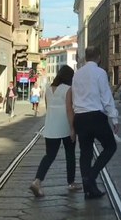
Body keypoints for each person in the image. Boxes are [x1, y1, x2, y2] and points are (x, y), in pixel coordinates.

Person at [72, 46, 119, 199]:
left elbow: (74, 96)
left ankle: (89, 188)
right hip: (95, 117)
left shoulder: (77, 74)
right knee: (111, 146)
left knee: (85, 152)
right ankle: (91, 176)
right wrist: (114, 117)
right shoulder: (100, 73)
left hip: (80, 117)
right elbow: (106, 96)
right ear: (99, 57)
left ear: (86, 57)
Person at [29, 65, 82, 197]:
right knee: (70, 155)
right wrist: (72, 128)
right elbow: (69, 110)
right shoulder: (68, 89)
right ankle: (71, 183)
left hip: (51, 127)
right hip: (65, 127)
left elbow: (48, 108)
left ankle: (37, 181)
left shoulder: (47, 89)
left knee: (49, 156)